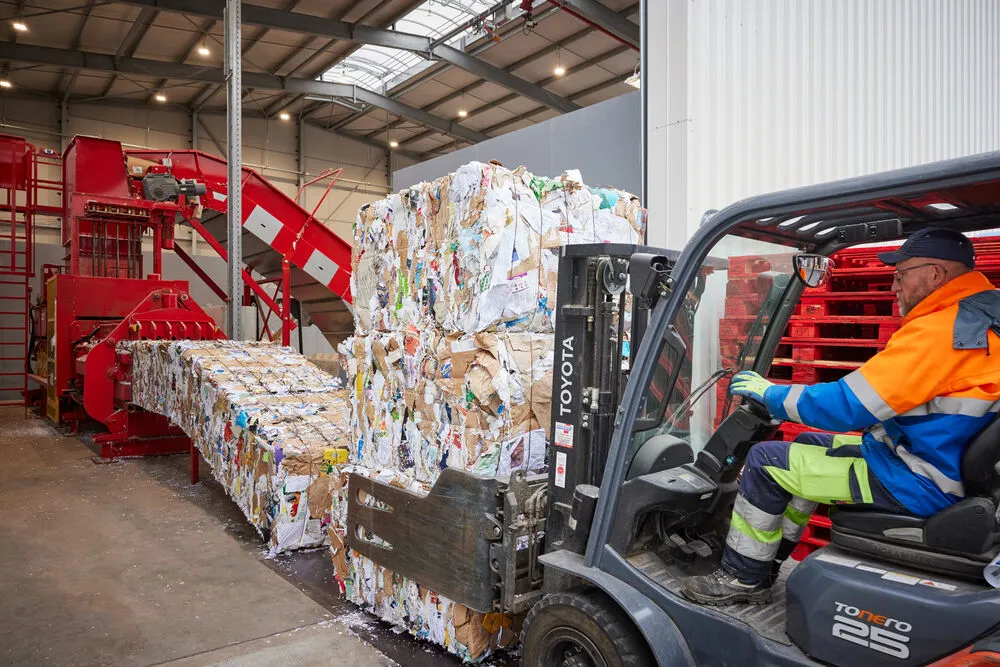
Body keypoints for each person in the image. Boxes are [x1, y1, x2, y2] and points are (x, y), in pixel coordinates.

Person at [682, 227, 1000, 605]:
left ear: (935, 274)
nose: (893, 285)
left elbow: (848, 405)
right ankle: (769, 562)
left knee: (766, 461)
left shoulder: (942, 331)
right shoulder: (982, 320)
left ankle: (742, 577)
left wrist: (771, 394)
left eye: (901, 274)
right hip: (941, 466)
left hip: (920, 481)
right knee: (805, 444)